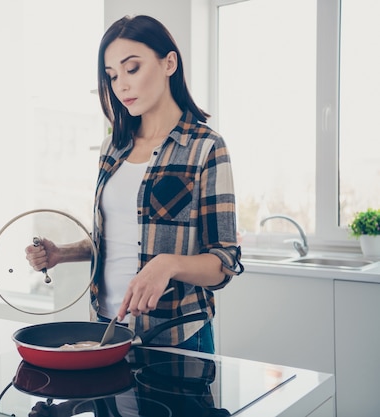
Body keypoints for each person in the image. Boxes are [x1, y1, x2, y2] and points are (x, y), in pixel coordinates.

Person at [25, 15, 243, 354]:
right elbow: (116, 237)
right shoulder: (112, 147)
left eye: (132, 69)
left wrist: (167, 264)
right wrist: (62, 253)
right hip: (103, 330)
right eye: (111, 76)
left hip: (176, 335)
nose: (121, 85)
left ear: (169, 62)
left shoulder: (206, 147)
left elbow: (224, 262)